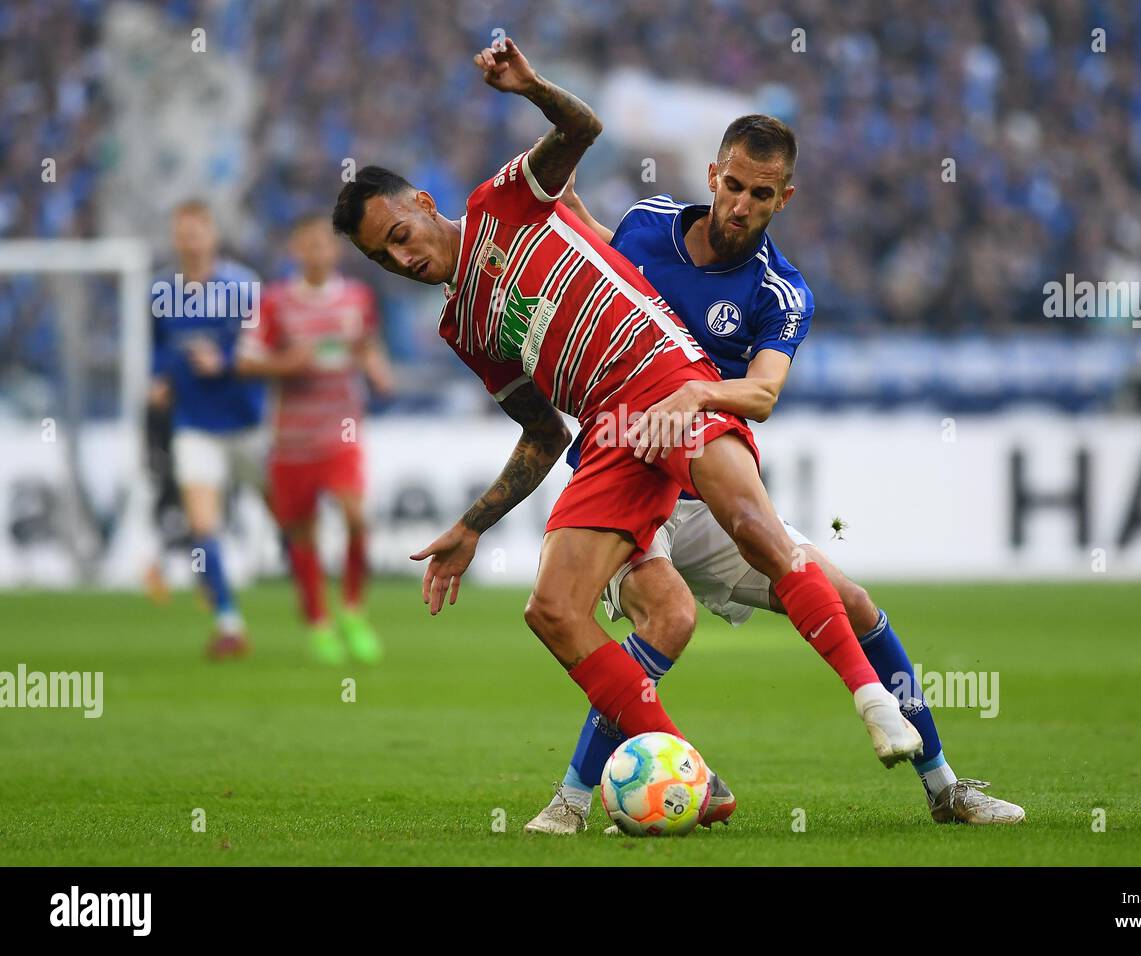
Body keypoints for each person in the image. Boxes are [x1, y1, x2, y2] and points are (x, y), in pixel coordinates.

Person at [332, 37, 921, 827]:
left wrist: (530, 87)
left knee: (753, 525)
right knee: (551, 609)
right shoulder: (461, 329)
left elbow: (583, 131)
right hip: (607, 428)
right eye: (380, 257)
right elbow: (542, 436)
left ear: (424, 206)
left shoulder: (502, 200)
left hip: (663, 375)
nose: (399, 258)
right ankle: (691, 776)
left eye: (398, 235)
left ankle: (874, 699)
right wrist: (473, 525)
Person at [526, 115, 1023, 833]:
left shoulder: (778, 290)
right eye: (732, 185)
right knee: (667, 617)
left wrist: (699, 391)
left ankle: (945, 786)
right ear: (712, 177)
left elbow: (762, 393)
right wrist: (566, 203)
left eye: (760, 194)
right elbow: (604, 256)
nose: (740, 204)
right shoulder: (647, 225)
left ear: (783, 198)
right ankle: (571, 799)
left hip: (713, 498)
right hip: (630, 481)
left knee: (851, 603)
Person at [237, 214, 394, 664]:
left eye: (323, 245)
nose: (317, 253)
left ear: (336, 250)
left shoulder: (357, 298)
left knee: (356, 517)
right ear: (295, 251)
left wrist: (378, 371)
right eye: (307, 246)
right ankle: (319, 623)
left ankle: (352, 610)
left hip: (340, 432)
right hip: (291, 440)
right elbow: (246, 363)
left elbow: (366, 346)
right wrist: (288, 364)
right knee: (302, 533)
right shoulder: (275, 303)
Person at [150, 200, 267, 659]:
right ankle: (229, 623)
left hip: (247, 421)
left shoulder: (243, 287)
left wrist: (226, 363)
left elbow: (264, 347)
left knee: (290, 519)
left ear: (212, 235)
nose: (190, 240)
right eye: (183, 232)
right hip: (194, 423)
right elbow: (159, 348)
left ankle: (316, 606)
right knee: (203, 525)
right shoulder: (160, 290)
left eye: (197, 231)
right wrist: (159, 379)